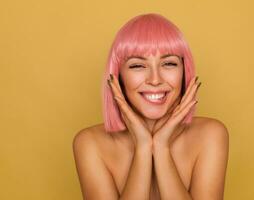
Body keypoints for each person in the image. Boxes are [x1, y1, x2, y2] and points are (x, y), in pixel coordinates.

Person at [72, 13, 229, 200]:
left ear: (185, 72)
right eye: (138, 66)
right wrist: (143, 147)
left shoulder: (211, 134)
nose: (155, 80)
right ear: (118, 76)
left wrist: (161, 147)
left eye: (169, 63)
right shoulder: (90, 143)